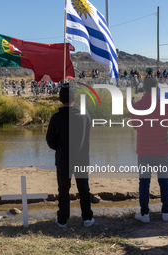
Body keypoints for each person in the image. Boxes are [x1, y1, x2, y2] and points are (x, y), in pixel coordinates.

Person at [131, 77, 168, 223]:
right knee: (164, 181)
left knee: (144, 182)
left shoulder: (137, 106)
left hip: (143, 151)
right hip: (162, 150)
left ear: (144, 89)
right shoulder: (166, 104)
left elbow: (135, 125)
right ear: (158, 89)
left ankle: (144, 214)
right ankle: (166, 212)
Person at [46, 83, 94, 228]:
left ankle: (62, 219)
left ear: (60, 99)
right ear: (74, 98)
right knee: (84, 188)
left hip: (63, 159)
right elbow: (88, 134)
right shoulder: (85, 114)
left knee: (63, 189)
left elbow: (50, 141)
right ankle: (87, 218)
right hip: (81, 158)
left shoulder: (56, 118)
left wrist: (61, 148)